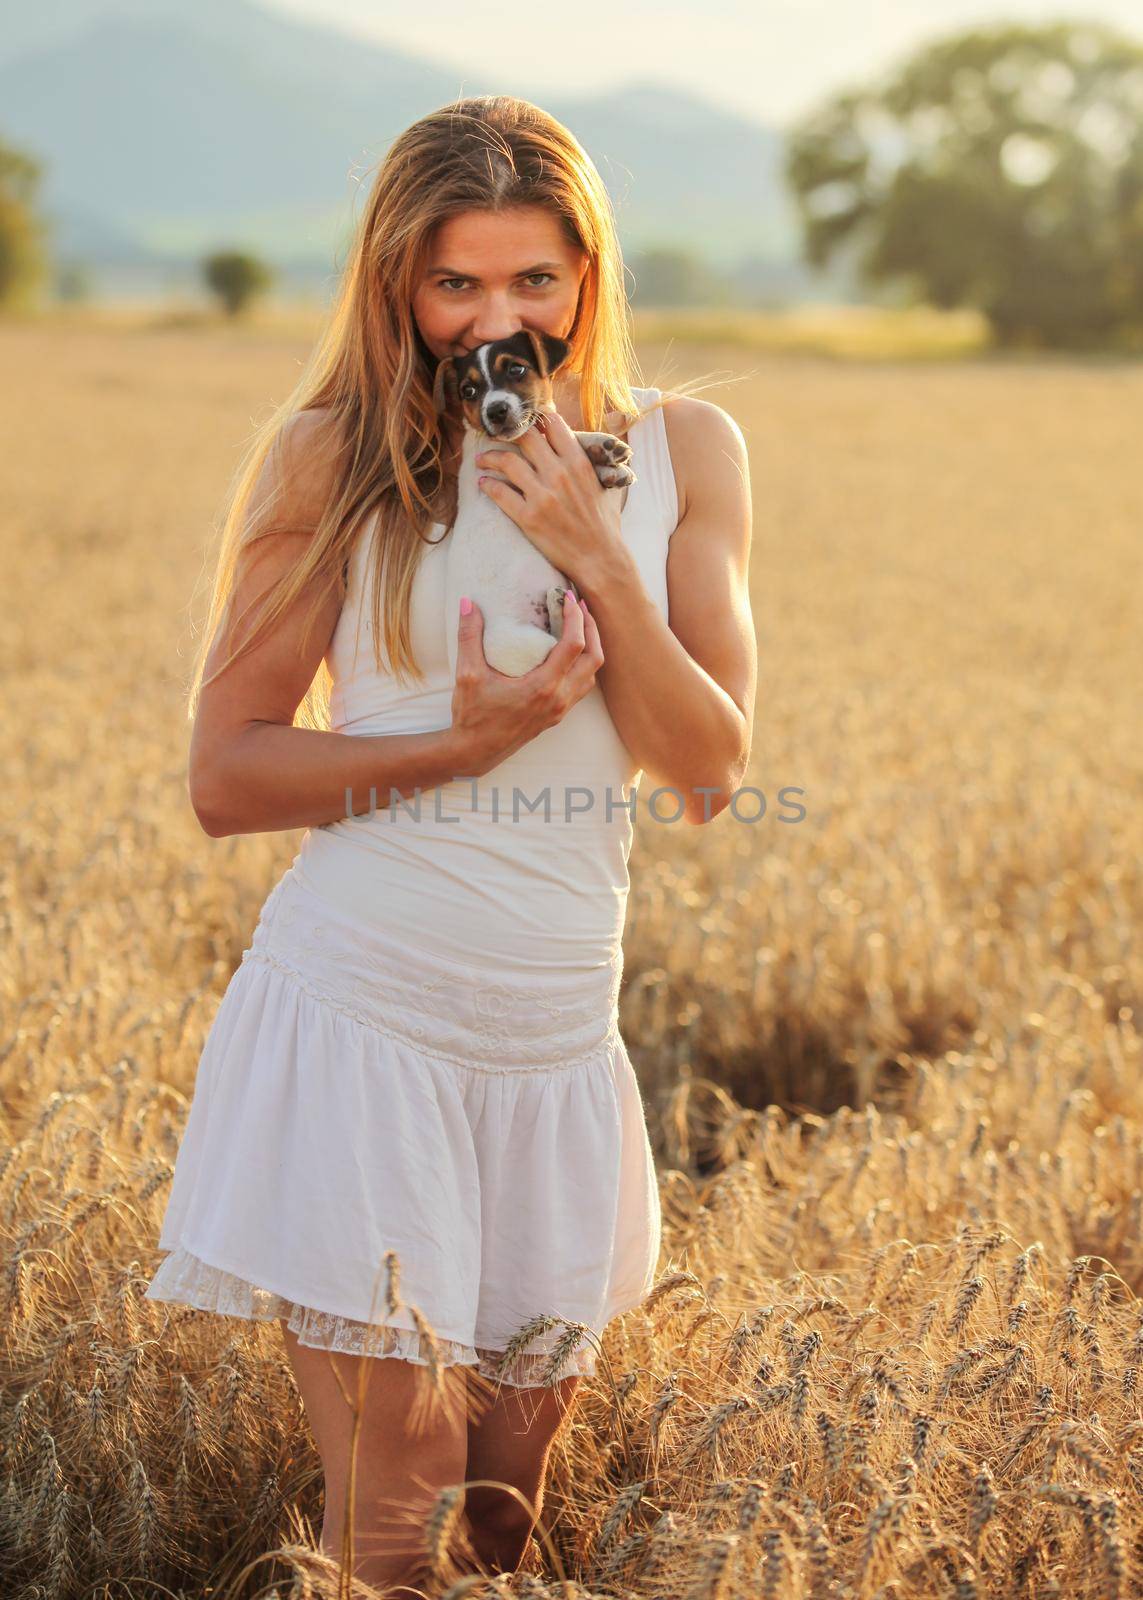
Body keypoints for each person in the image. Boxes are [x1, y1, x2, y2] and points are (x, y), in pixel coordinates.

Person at [144, 94, 755, 1593]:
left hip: (553, 1047)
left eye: (536, 279)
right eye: (457, 283)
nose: (501, 316)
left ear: (588, 276)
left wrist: (599, 558)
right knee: (401, 1536)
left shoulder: (688, 450)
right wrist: (460, 745)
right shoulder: (335, 459)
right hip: (368, 1027)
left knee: (500, 1526)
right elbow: (228, 776)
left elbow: (708, 771)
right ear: (397, 288)